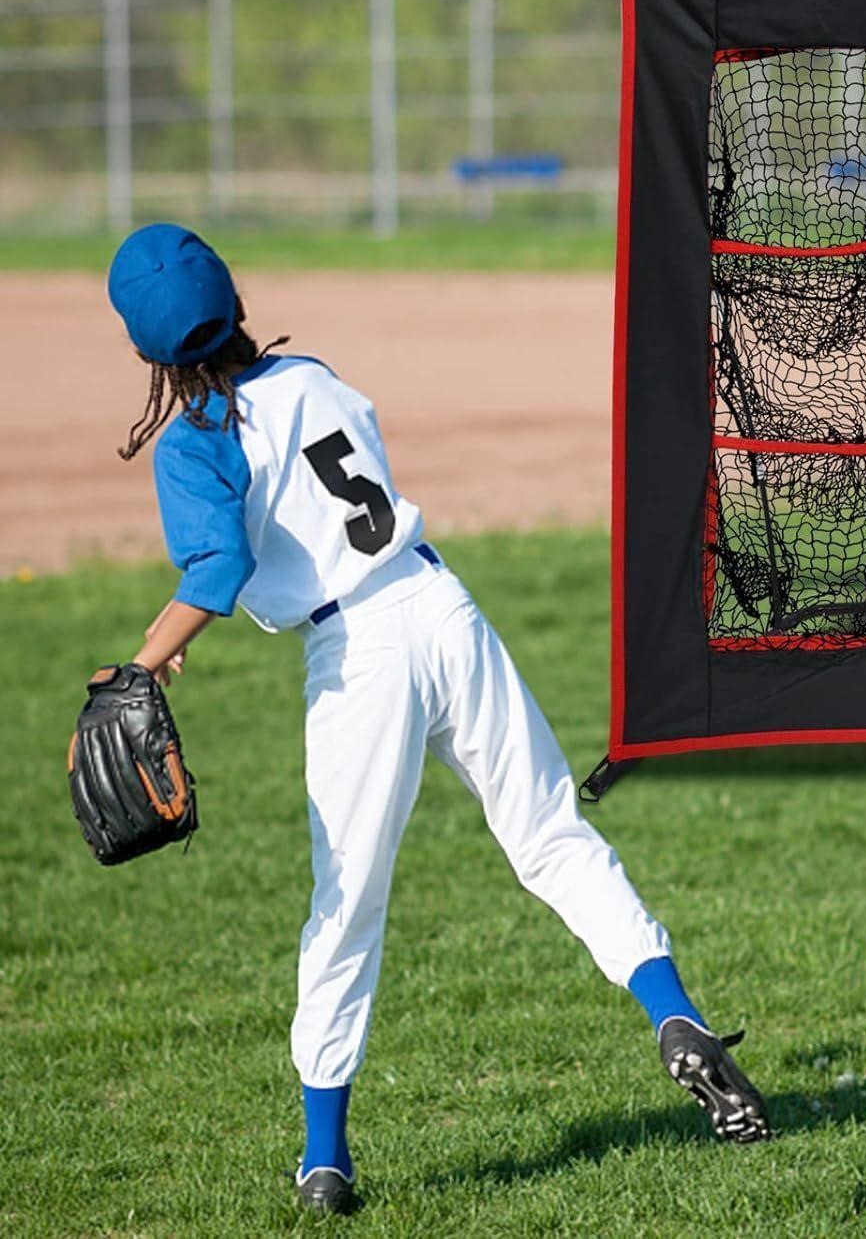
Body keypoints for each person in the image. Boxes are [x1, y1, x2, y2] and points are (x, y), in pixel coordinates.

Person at [104, 222, 770, 1214]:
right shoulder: (314, 377)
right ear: (236, 305)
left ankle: (325, 1159)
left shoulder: (194, 442)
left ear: (148, 351)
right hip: (439, 604)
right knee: (550, 833)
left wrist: (141, 659)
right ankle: (675, 1016)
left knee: (348, 906)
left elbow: (220, 567)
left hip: (358, 657)